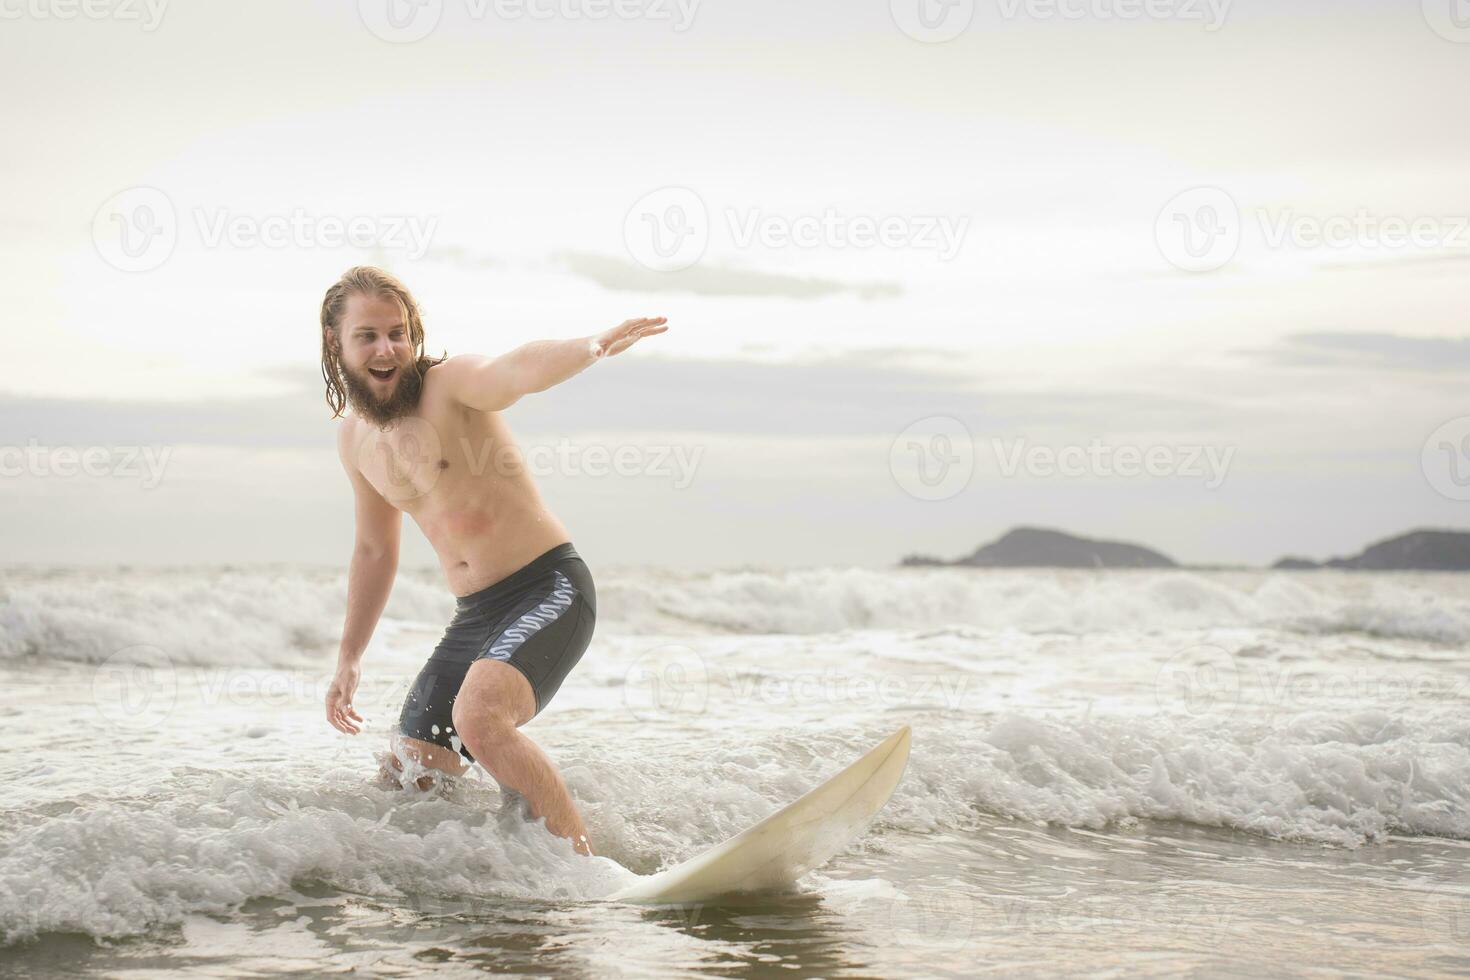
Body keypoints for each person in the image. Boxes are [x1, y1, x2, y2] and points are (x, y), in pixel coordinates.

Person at [319, 265, 667, 857]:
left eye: (398, 332)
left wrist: (591, 347)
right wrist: (349, 656)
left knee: (478, 720)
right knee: (411, 775)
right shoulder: (354, 440)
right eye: (368, 336)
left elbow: (515, 370)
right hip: (476, 616)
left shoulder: (449, 387)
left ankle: (586, 868)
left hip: (548, 589)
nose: (387, 349)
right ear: (337, 344)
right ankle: (474, 876)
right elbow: (375, 550)